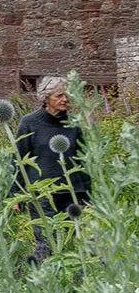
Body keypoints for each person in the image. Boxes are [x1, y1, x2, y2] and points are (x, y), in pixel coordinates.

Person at [14, 75, 90, 261]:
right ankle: (43, 280)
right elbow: (18, 159)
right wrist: (16, 194)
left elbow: (84, 160)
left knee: (75, 239)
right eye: (60, 96)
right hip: (41, 192)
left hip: (71, 191)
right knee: (46, 240)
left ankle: (74, 282)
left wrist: (88, 194)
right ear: (45, 98)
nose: (65, 100)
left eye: (68, 96)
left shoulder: (74, 124)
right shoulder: (29, 122)